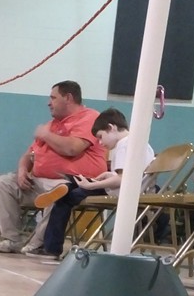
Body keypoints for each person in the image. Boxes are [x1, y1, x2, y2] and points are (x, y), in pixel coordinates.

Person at [0, 80, 107, 254]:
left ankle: (39, 244)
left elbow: (72, 148)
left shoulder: (89, 117)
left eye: (53, 98)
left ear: (68, 98)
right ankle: (11, 239)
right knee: (4, 183)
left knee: (59, 191)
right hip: (37, 183)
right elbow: (28, 155)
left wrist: (46, 135)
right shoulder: (51, 125)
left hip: (70, 182)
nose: (48, 103)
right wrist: (22, 171)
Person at [32, 108, 154, 259]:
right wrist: (108, 175)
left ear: (111, 127)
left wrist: (93, 185)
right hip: (130, 188)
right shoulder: (137, 142)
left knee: (64, 199)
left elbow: (123, 179)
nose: (100, 143)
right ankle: (68, 185)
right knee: (76, 185)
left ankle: (51, 249)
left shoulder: (124, 145)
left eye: (101, 137)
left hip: (120, 191)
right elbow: (129, 175)